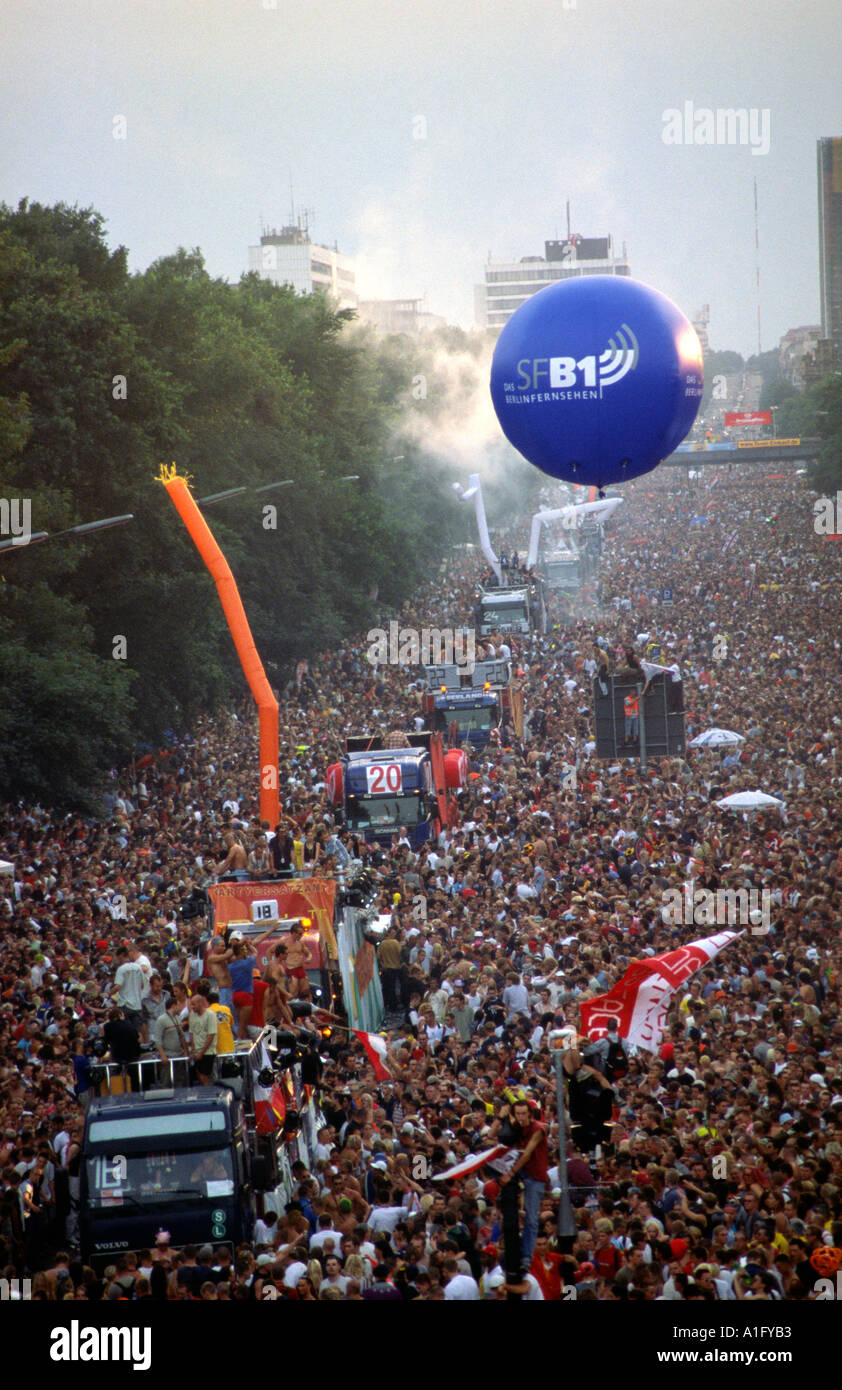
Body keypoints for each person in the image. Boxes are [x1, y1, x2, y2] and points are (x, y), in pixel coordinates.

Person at [497, 1099, 549, 1272]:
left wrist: (510, 1173)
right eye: (517, 1113)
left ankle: (527, 1256)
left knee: (532, 1218)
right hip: (522, 1171)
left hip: (534, 1175)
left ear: (529, 1114)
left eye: (523, 1113)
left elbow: (527, 1154)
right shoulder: (518, 1126)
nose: (520, 1117)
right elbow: (492, 1135)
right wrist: (501, 1117)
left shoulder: (538, 1129)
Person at [187, 994, 218, 1085]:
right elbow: (191, 1033)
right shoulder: (192, 1015)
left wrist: (201, 1053)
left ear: (200, 1003)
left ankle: (209, 1094)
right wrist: (193, 1050)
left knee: (204, 1076)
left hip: (207, 1052)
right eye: (191, 1004)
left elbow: (211, 1035)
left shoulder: (210, 1015)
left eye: (194, 1004)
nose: (192, 1007)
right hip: (196, 1052)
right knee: (198, 1075)